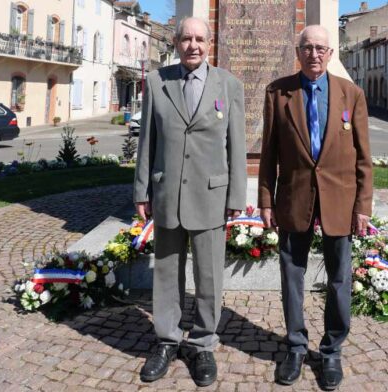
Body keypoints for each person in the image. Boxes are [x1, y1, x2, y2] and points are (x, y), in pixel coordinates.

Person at [133, 16, 246, 387]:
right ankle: (167, 340)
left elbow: (236, 148)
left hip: (211, 196)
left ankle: (202, 344)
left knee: (209, 276)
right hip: (167, 194)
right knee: (167, 274)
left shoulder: (228, 85)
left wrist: (236, 196)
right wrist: (141, 192)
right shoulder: (157, 81)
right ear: (177, 43)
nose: (193, 45)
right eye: (186, 39)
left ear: (209, 44)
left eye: (199, 39)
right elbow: (147, 142)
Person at [258, 25, 373, 390]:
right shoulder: (278, 92)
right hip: (294, 198)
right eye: (307, 47)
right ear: (298, 51)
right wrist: (266, 200)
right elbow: (269, 153)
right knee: (292, 275)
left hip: (340, 200)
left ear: (331, 53)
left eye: (321, 48)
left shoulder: (351, 94)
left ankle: (331, 351)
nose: (314, 54)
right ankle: (294, 347)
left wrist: (363, 206)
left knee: (340, 278)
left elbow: (364, 159)